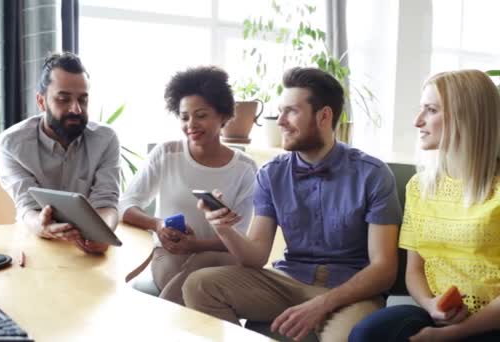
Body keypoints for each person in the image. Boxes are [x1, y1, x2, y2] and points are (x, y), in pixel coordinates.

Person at [182, 67, 403, 341]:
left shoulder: (373, 174)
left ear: (324, 116)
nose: (281, 121)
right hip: (287, 281)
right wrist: (224, 227)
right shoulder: (271, 173)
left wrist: (322, 304)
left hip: (351, 291)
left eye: (291, 112)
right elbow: (255, 256)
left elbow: (384, 269)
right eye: (280, 111)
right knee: (199, 285)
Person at [349, 70, 500, 341]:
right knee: (368, 333)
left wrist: (450, 334)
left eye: (431, 110)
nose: (418, 121)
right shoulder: (419, 187)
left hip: (492, 322)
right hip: (438, 314)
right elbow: (414, 270)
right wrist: (431, 304)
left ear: (466, 117)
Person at [119, 66, 257, 305]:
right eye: (184, 117)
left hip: (221, 256)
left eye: (201, 115)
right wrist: (158, 224)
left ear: (223, 116)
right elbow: (126, 205)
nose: (191, 124)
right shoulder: (167, 153)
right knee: (196, 284)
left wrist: (197, 245)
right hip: (170, 255)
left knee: (210, 273)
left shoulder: (245, 168)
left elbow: (241, 237)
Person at [0, 52, 120, 254]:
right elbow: (28, 209)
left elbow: (106, 203)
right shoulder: (12, 144)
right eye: (63, 99)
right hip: (35, 247)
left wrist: (102, 232)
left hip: (88, 251)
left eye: (83, 100)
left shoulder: (106, 140)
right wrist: (43, 227)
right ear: (41, 102)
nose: (76, 109)